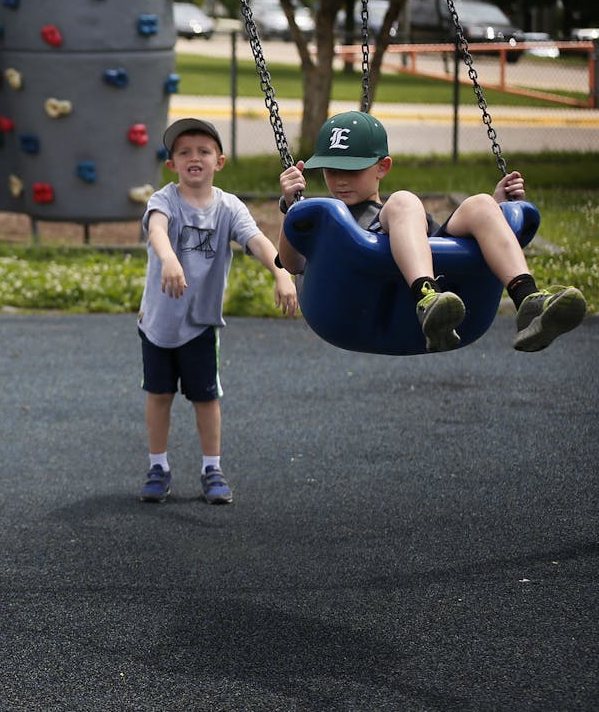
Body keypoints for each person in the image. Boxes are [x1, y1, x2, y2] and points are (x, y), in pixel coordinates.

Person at [277, 110, 587, 352]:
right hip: (353, 309)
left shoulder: (399, 214)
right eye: (332, 171)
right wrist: (293, 210)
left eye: (352, 169)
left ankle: (528, 301)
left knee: (479, 204)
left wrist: (497, 207)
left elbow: (442, 239)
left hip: (441, 280)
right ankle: (427, 298)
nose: (341, 180)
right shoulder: (327, 220)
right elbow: (293, 264)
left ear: (382, 167)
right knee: (404, 201)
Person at [138, 118, 299, 504]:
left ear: (220, 161)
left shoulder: (228, 207)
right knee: (159, 395)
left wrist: (282, 274)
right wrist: (169, 259)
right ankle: (157, 466)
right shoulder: (164, 200)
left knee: (206, 398)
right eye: (184, 152)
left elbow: (257, 241)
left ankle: (212, 467)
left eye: (203, 151)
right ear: (171, 164)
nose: (194, 157)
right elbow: (157, 231)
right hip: (158, 323)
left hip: (199, 325)